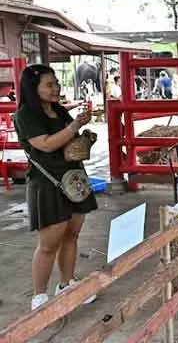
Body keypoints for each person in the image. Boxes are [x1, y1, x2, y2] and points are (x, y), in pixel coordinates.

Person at [13, 64, 98, 310]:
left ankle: (67, 283)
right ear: (33, 88)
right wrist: (73, 127)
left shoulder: (59, 111)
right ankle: (39, 295)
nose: (56, 88)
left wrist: (81, 130)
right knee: (49, 243)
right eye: (49, 84)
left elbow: (69, 141)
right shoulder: (26, 115)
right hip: (48, 181)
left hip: (73, 178)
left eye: (57, 83)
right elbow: (47, 145)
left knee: (72, 233)